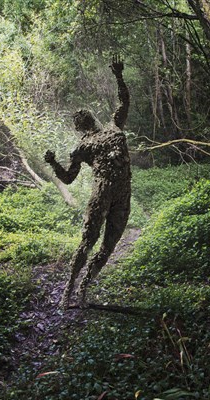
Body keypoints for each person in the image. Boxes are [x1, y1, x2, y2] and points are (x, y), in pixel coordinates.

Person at [44, 57, 131, 309]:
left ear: (82, 125)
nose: (84, 119)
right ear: (86, 124)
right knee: (91, 242)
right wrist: (53, 163)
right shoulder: (84, 146)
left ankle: (81, 288)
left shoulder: (113, 127)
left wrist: (118, 75)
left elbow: (125, 101)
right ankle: (70, 289)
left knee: (107, 245)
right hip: (104, 193)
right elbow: (69, 178)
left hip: (121, 195)